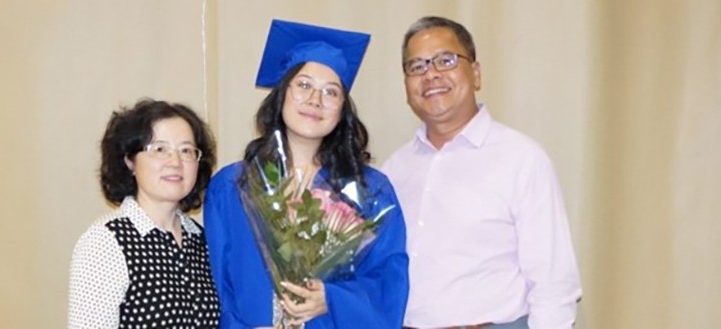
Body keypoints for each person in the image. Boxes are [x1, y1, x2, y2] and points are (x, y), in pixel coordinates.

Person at [203, 19, 409, 329]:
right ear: (282, 94)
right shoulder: (232, 186)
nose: (315, 100)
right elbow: (218, 284)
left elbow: (388, 281)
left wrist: (333, 299)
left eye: (331, 92)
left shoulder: (369, 191)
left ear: (343, 110)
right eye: (303, 85)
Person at [382, 16, 582, 329]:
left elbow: (554, 285)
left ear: (475, 73)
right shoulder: (393, 170)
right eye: (417, 66)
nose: (431, 74)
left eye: (445, 61)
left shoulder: (521, 159)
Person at [68, 99, 221, 328]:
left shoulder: (203, 241)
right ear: (130, 160)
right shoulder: (105, 243)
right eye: (160, 149)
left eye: (187, 151)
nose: (175, 162)